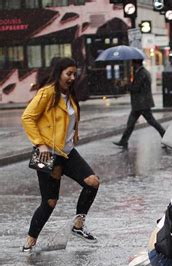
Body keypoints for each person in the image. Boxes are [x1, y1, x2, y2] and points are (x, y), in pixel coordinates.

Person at [21, 57, 100, 251]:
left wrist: (75, 134)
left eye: (75, 73)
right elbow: (27, 118)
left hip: (67, 152)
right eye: (69, 74)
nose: (72, 77)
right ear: (59, 73)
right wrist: (41, 145)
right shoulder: (47, 93)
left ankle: (78, 225)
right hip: (46, 154)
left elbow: (69, 119)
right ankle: (30, 241)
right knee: (49, 202)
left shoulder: (69, 94)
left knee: (92, 182)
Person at [113, 59, 165, 149]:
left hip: (142, 104)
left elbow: (136, 88)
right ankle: (123, 141)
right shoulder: (143, 72)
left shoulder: (141, 73)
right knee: (131, 124)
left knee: (152, 122)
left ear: (136, 63)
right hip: (140, 104)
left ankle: (166, 138)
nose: (132, 65)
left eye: (133, 63)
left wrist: (125, 85)